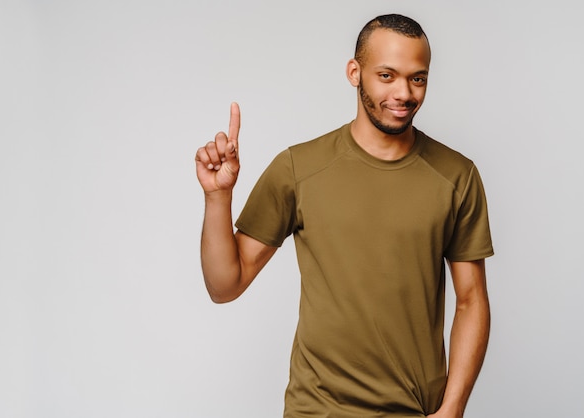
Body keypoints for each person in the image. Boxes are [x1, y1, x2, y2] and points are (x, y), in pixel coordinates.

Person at [194, 13, 493, 418]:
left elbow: (471, 301)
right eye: (386, 75)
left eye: (417, 78)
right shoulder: (299, 168)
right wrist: (218, 197)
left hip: (414, 410)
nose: (403, 93)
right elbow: (224, 285)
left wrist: (453, 408)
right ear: (355, 72)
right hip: (317, 410)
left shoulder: (456, 176)